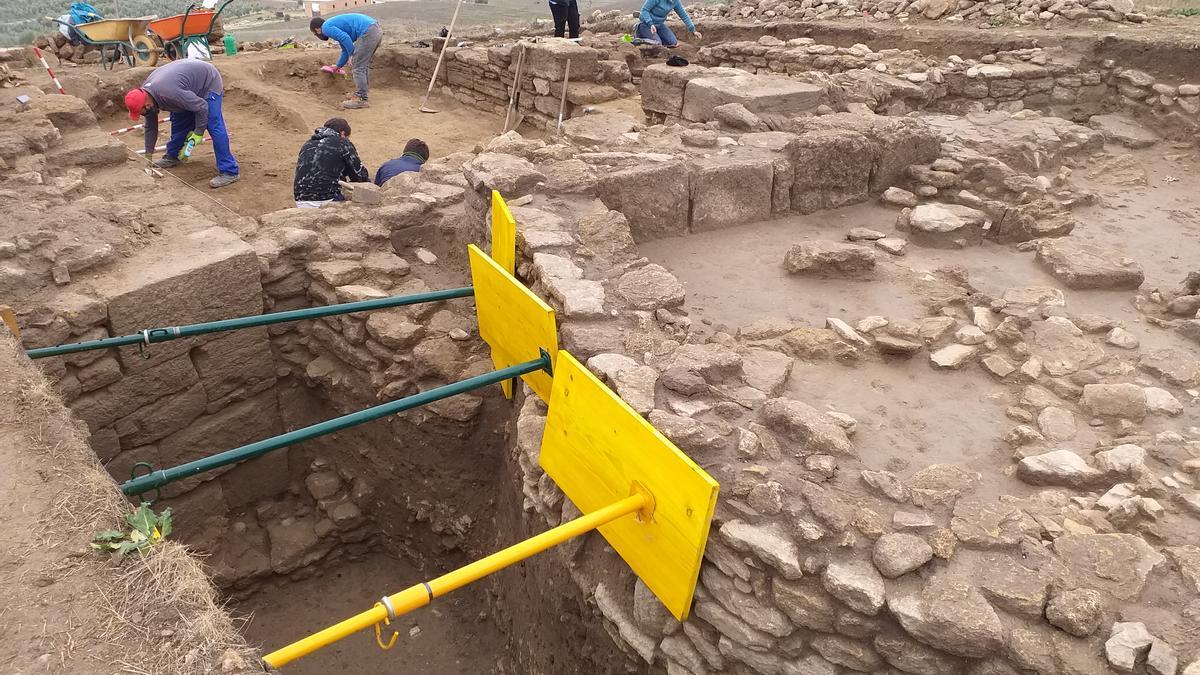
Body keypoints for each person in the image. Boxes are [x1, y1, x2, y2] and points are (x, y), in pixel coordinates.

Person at [124, 59, 239, 188]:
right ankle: (172, 156)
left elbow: (202, 107)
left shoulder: (170, 94)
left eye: (141, 112)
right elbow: (151, 127)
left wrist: (198, 133)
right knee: (179, 120)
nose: (141, 115)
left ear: (147, 104)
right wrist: (148, 155)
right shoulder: (146, 95)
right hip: (186, 88)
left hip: (208, 82)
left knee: (213, 123)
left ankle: (229, 171)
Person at [310, 13, 383, 109]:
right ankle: (361, 93)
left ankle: (361, 98)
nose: (318, 35)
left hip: (368, 32)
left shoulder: (326, 27)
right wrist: (338, 66)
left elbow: (345, 38)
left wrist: (351, 54)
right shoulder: (333, 25)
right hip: (375, 30)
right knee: (361, 65)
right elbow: (344, 49)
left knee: (357, 66)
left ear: (317, 29)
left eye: (315, 34)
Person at [293, 117, 369, 208]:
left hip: (300, 199)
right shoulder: (342, 143)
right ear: (343, 133)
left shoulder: (308, 144)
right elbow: (360, 176)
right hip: (327, 199)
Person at [634, 0, 702, 48]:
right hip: (646, 24)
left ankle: (655, 39)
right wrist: (650, 23)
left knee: (673, 42)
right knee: (657, 45)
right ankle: (640, 35)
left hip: (659, 24)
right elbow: (644, 10)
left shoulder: (675, 1)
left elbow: (684, 15)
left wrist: (693, 30)